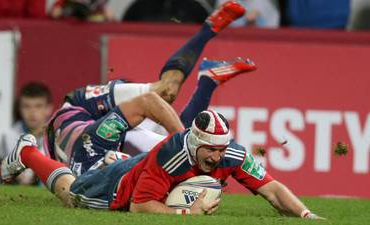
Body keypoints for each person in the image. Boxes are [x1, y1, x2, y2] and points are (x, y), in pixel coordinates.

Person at [44, 1, 256, 176]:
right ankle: (208, 80)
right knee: (178, 148)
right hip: (106, 142)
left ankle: (208, 28)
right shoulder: (103, 177)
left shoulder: (82, 166)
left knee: (166, 92)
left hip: (80, 108)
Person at [0, 110, 324, 218]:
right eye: (209, 150)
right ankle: (27, 152)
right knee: (72, 195)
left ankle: (121, 159)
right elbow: (140, 209)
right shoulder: (173, 155)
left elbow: (273, 190)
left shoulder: (232, 155)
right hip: (122, 186)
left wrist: (306, 215)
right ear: (196, 143)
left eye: (220, 150)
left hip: (144, 168)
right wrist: (187, 213)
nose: (216, 157)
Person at [0, 82, 53, 185]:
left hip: (46, 182)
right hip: (15, 185)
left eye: (38, 106)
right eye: (26, 106)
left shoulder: (59, 134)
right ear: (20, 109)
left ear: (48, 109)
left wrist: (36, 173)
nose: (32, 112)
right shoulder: (9, 135)